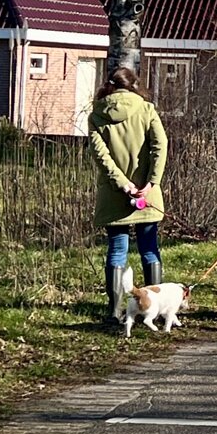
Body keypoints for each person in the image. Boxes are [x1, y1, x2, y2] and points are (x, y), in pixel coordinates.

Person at [86, 64, 167, 330]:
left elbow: (101, 156)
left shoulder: (96, 115)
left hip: (114, 194)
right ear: (133, 85)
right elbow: (160, 145)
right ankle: (154, 309)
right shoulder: (146, 109)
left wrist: (123, 185)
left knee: (117, 249)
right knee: (149, 248)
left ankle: (114, 310)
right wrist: (151, 181)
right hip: (147, 193)